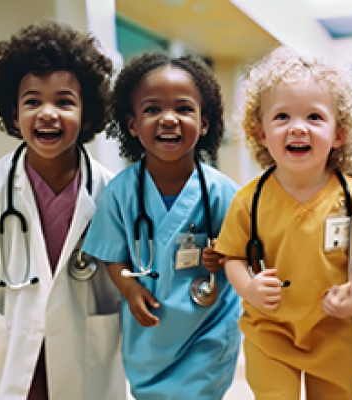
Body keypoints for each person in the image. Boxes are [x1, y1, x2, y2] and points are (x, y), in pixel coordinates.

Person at [0, 20, 125, 399]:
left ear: (87, 115)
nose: (47, 113)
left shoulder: (108, 189)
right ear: (14, 114)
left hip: (84, 337)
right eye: (32, 101)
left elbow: (127, 263)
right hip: (23, 334)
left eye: (64, 102)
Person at [215, 46, 352, 399]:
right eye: (282, 117)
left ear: (338, 134)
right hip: (269, 331)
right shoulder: (249, 201)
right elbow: (232, 257)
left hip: (332, 330)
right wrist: (249, 288)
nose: (297, 128)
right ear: (261, 133)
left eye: (314, 117)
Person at [80, 51, 242, 399]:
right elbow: (113, 255)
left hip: (208, 330)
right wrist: (129, 288)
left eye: (183, 109)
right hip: (149, 337)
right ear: (132, 124)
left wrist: (224, 256)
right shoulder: (120, 193)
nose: (169, 119)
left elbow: (244, 252)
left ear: (204, 123)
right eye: (153, 109)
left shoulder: (223, 192)